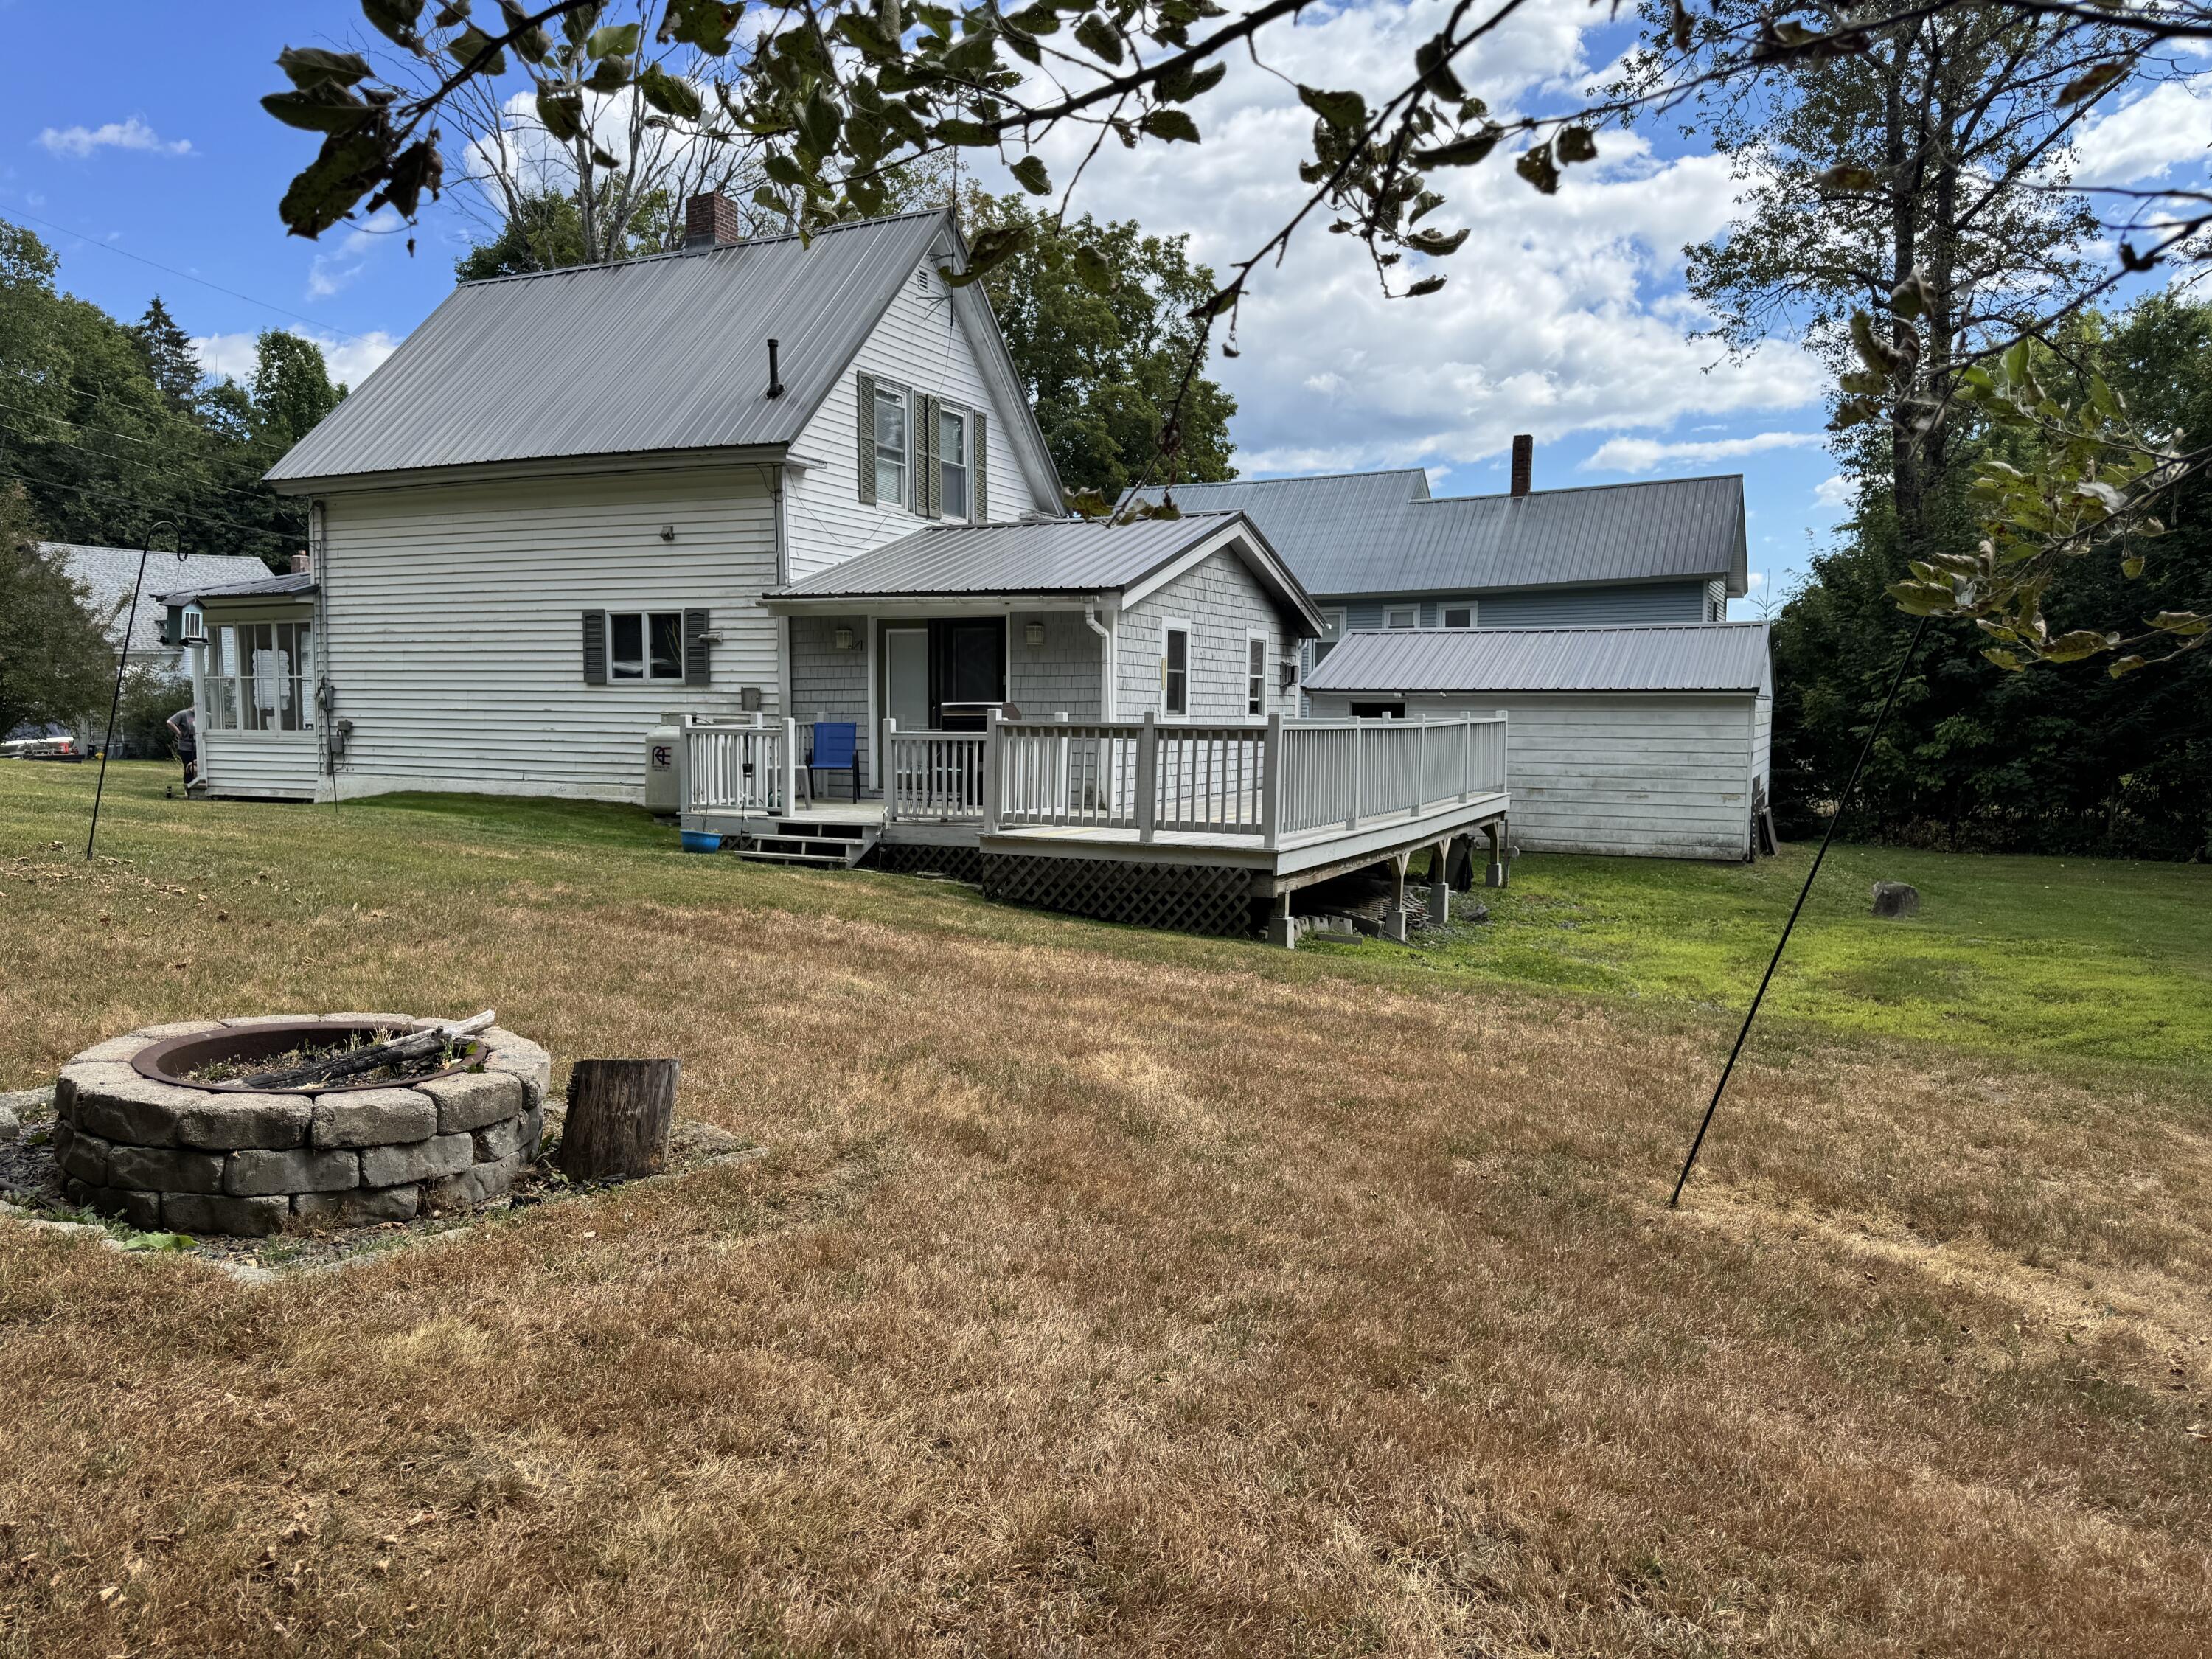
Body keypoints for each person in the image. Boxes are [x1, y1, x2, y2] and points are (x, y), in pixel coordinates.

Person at [164, 705, 197, 789]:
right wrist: (179, 733)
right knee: (188, 768)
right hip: (186, 748)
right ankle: (188, 789)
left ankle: (197, 787)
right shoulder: (184, 714)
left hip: (200, 747)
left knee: (197, 769)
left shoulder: (206, 715)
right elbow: (169, 722)